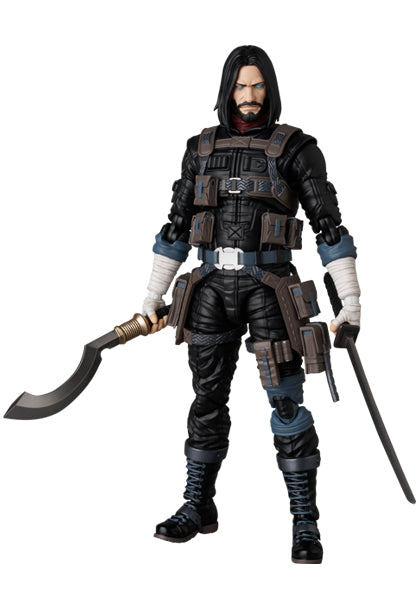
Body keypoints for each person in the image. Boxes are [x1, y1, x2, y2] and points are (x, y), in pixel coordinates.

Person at [142, 45, 361, 564]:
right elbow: (176, 225)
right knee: (206, 400)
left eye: (258, 85)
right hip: (210, 288)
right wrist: (153, 294)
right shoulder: (199, 149)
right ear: (227, 89)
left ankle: (305, 522)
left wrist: (350, 300)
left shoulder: (296, 149)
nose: (249, 95)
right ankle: (198, 505)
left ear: (270, 89)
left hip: (271, 289)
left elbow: (329, 225)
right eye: (241, 86)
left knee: (286, 403)